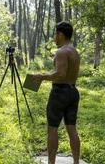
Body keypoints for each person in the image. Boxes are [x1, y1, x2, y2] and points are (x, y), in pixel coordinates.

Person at [31, 21, 80, 164]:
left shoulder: (61, 52)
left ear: (60, 34)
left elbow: (60, 74)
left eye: (56, 34)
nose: (54, 37)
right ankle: (76, 162)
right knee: (72, 129)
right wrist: (46, 74)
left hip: (59, 93)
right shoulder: (74, 51)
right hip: (73, 91)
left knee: (52, 129)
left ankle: (51, 163)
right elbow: (64, 72)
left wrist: (42, 77)